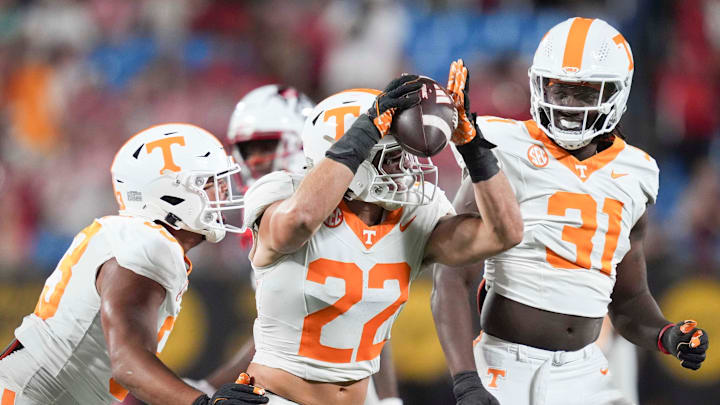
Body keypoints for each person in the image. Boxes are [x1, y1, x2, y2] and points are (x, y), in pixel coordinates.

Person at [431, 18, 709, 405]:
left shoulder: (635, 172)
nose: (567, 105)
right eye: (558, 90)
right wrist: (465, 380)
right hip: (504, 364)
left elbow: (628, 300)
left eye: (583, 93)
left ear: (617, 93)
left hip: (584, 370)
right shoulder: (502, 147)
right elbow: (450, 277)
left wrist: (667, 334)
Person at [239, 73, 523, 405]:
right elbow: (299, 221)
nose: (404, 168)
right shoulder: (281, 192)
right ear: (351, 152)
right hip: (274, 398)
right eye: (390, 156)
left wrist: (473, 146)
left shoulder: (414, 212)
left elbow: (505, 233)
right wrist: (366, 129)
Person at [0, 123, 267, 405]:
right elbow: (128, 363)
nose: (224, 195)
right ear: (170, 193)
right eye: (210, 183)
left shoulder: (134, 238)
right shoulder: (148, 244)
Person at [187, 84, 404, 405]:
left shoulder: (342, 206)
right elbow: (282, 331)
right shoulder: (273, 208)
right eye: (246, 149)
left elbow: (365, 313)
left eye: (264, 145)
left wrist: (208, 386)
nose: (254, 159)